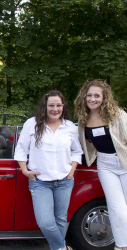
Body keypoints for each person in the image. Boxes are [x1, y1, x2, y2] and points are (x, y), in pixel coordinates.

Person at [14, 90, 83, 250]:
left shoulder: (69, 126)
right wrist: (25, 170)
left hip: (65, 181)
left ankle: (57, 248)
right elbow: (21, 149)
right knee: (45, 222)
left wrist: (72, 170)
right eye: (51, 105)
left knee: (60, 218)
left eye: (58, 105)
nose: (55, 109)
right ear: (44, 107)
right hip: (40, 182)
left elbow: (77, 151)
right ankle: (61, 247)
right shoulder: (32, 124)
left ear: (63, 106)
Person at [74, 79, 127, 250]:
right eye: (89, 95)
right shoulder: (83, 119)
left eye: (97, 95)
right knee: (117, 209)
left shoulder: (117, 115)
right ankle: (121, 246)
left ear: (104, 97)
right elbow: (82, 143)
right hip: (105, 165)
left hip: (125, 162)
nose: (92, 99)